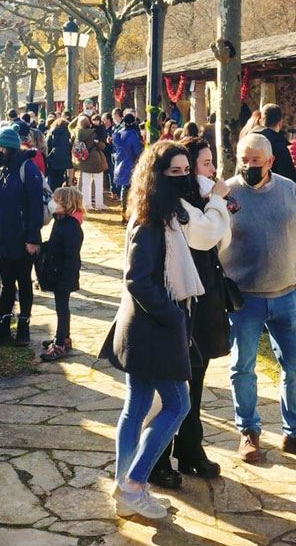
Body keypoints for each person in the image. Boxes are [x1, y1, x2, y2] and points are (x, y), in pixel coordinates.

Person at [100, 140, 198, 521]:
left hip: (143, 329)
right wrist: (173, 315)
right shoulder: (151, 221)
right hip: (151, 330)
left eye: (186, 171)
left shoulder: (162, 214)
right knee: (178, 405)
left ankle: (124, 487)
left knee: (137, 407)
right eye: (175, 173)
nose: (183, 178)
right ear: (157, 177)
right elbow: (138, 280)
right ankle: (134, 484)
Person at [219, 133, 296, 464]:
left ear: (270, 161)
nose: (249, 166)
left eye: (256, 160)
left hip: (287, 296)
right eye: (244, 159)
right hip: (243, 300)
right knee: (242, 367)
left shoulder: (290, 191)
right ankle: (248, 431)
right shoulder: (227, 194)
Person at [151, 136, 233, 486]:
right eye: (205, 164)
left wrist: (215, 201)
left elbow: (223, 239)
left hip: (206, 296)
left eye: (209, 164)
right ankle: (158, 458)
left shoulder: (201, 199)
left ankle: (190, 449)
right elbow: (207, 234)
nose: (212, 171)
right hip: (180, 300)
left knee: (196, 378)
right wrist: (217, 200)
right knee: (171, 387)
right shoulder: (176, 204)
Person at [0, 126, 45, 346]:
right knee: (6, 284)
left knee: (24, 282)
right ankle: (3, 327)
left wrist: (32, 238)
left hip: (23, 238)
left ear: (9, 149)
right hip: (3, 236)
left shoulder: (28, 168)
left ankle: (23, 327)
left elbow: (36, 205)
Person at [37, 187, 84, 362]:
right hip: (58, 272)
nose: (52, 204)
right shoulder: (60, 221)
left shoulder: (72, 227)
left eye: (56, 201)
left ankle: (60, 343)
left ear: (66, 203)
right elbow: (54, 244)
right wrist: (41, 247)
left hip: (64, 275)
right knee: (61, 306)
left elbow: (72, 257)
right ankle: (64, 337)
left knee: (62, 308)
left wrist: (65, 280)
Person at [253, 104, 296, 185]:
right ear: (280, 123)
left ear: (261, 121)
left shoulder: (247, 142)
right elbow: (290, 181)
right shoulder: (279, 147)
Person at [113, 113, 144, 219]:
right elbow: (137, 150)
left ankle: (124, 209)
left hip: (121, 162)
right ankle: (131, 211)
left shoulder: (118, 134)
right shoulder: (133, 135)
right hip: (132, 163)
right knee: (133, 188)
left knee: (124, 188)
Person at [73, 115, 107, 211]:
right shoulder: (94, 133)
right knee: (98, 183)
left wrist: (77, 118)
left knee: (85, 184)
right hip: (96, 161)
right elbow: (102, 146)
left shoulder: (77, 133)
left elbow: (70, 126)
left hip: (84, 161)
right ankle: (99, 203)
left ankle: (86, 204)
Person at [45, 117, 74, 192]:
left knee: (53, 180)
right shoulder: (69, 133)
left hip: (54, 158)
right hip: (66, 159)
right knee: (61, 178)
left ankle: (53, 194)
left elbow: (48, 146)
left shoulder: (52, 132)